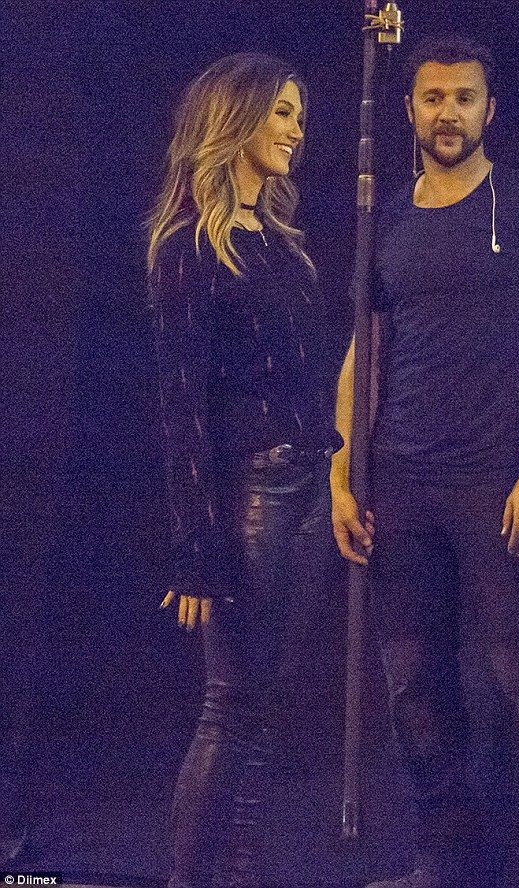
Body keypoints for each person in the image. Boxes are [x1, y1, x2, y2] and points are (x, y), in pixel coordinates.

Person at [331, 34, 519, 888]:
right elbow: (362, 354)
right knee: (413, 686)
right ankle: (442, 860)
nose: (447, 113)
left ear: (490, 108)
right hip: (401, 484)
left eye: (463, 97)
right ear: (409, 110)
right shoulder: (388, 221)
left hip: (496, 481)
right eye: (433, 98)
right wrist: (343, 471)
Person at [147, 53, 341, 888]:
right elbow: (181, 406)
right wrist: (195, 549)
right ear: (237, 118)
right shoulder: (190, 246)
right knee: (230, 708)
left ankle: (239, 876)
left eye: (300, 114)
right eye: (282, 112)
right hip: (251, 493)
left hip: (307, 485)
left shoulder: (281, 245)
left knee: (263, 709)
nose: (297, 130)